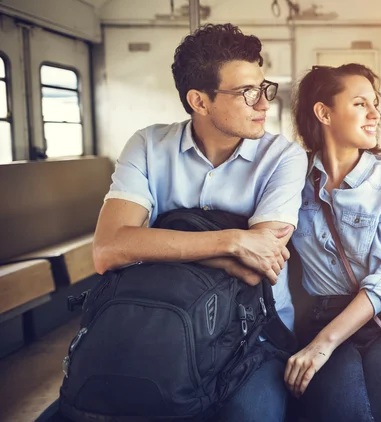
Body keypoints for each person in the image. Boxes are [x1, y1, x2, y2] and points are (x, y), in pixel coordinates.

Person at [92, 23, 307, 422]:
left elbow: (255, 265)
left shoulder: (283, 157)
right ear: (199, 101)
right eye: (247, 93)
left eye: (264, 88)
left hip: (253, 338)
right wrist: (230, 242)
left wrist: (149, 249)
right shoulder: (148, 145)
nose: (263, 104)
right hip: (157, 331)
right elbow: (108, 250)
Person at [284, 64, 381, 422]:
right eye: (361, 103)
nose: (375, 113)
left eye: (375, 103)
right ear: (324, 112)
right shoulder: (290, 178)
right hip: (321, 316)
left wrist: (322, 345)